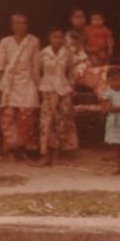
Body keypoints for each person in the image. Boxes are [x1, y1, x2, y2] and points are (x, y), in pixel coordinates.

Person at [0, 12, 41, 161]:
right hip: (10, 83)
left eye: (23, 23)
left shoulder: (33, 41)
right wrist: (1, 87)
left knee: (28, 116)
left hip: (27, 81)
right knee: (9, 117)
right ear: (12, 25)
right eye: (16, 23)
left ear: (27, 25)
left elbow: (36, 65)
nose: (19, 26)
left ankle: (27, 149)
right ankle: (12, 149)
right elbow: (0, 66)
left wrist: (38, 86)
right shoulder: (5, 42)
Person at [36, 27, 79, 166]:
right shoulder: (43, 54)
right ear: (49, 38)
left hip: (63, 91)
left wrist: (70, 87)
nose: (58, 40)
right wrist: (40, 88)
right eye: (55, 37)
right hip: (48, 90)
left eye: (60, 37)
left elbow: (71, 72)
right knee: (46, 122)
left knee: (61, 122)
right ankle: (44, 154)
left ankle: (57, 154)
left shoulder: (67, 54)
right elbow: (37, 72)